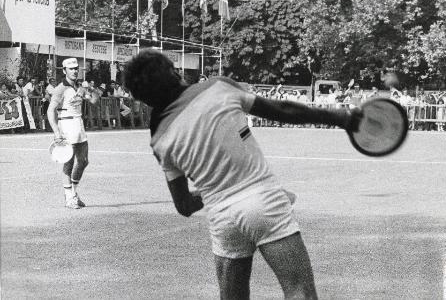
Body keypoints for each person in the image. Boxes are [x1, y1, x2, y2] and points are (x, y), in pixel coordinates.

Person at [123, 49, 362, 300]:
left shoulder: (159, 140)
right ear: (175, 72)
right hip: (264, 203)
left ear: (144, 99)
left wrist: (215, 190)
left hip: (222, 219)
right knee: (299, 291)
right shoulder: (216, 87)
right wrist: (338, 117)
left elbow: (183, 205)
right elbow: (282, 110)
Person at [47, 58, 99, 209]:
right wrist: (57, 132)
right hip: (66, 126)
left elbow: (95, 100)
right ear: (64, 71)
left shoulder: (79, 87)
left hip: (79, 126)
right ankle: (69, 198)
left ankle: (73, 194)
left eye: (76, 68)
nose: (75, 71)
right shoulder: (60, 89)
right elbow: (50, 111)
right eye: (71, 69)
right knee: (68, 164)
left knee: (83, 161)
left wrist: (90, 88)